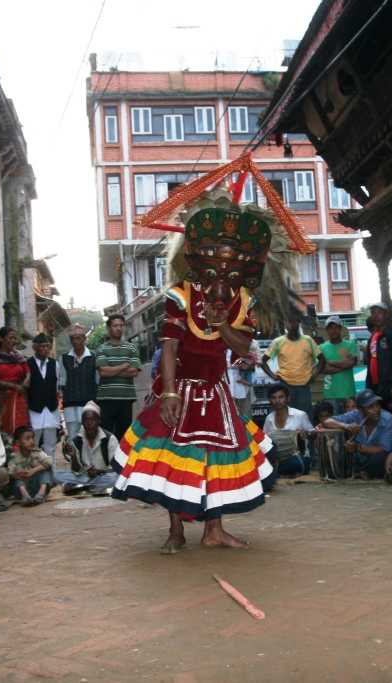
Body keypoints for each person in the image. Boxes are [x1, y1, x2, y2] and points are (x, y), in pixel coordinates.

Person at [112, 191, 288, 553]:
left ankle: (214, 530)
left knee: (214, 461)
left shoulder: (245, 301)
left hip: (217, 392)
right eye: (215, 262)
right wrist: (171, 393)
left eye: (233, 264)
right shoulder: (181, 294)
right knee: (172, 460)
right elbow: (171, 347)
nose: (223, 273)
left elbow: (242, 347)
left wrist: (222, 324)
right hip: (179, 390)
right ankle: (176, 531)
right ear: (197, 259)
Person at [321, 389, 392, 479]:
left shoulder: (388, 420)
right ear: (360, 409)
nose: (376, 410)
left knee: (379, 458)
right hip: (362, 458)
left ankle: (363, 472)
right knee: (342, 456)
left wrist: (357, 448)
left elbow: (383, 449)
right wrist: (346, 426)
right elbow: (327, 421)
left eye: (377, 405)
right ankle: (361, 472)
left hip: (381, 457)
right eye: (370, 407)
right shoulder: (356, 414)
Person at [262, 312, 324, 414]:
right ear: (285, 323)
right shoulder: (278, 342)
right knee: (285, 415)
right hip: (285, 385)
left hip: (304, 386)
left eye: (294, 321)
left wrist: (314, 376)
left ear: (298, 322)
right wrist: (273, 376)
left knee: (305, 417)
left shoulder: (308, 340)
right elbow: (263, 361)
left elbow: (322, 360)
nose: (292, 324)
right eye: (289, 322)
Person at [95, 314, 141, 439]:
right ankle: (108, 459)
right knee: (106, 436)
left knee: (124, 436)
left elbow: (134, 372)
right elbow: (103, 372)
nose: (119, 328)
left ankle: (121, 459)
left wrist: (111, 369)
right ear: (109, 328)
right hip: (106, 399)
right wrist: (124, 366)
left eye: (121, 325)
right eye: (115, 325)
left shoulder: (131, 348)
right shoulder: (101, 349)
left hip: (126, 399)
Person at [58, 401, 119, 494]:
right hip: (85, 477)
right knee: (61, 476)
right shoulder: (77, 440)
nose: (89, 423)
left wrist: (98, 472)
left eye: (92, 420)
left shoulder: (110, 439)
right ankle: (95, 488)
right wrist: (74, 457)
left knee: (115, 478)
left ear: (99, 421)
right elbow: (76, 471)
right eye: (86, 420)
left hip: (104, 476)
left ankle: (85, 488)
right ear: (82, 422)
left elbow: (116, 467)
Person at [0, 326, 30, 435]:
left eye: (15, 338)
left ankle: (19, 450)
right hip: (2, 399)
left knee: (21, 427)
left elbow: (28, 372)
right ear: (1, 339)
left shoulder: (18, 356)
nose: (14, 341)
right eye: (11, 338)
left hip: (19, 397)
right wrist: (12, 386)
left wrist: (25, 382)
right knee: (4, 426)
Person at [365, 302, 392, 418]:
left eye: (379, 312)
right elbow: (370, 362)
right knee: (380, 420)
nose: (376, 316)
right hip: (376, 388)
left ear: (386, 314)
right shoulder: (373, 336)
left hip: (390, 387)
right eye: (373, 313)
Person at [263, 383, 314, 477]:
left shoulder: (300, 415)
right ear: (270, 400)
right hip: (277, 459)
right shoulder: (269, 419)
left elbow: (312, 434)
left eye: (281, 397)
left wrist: (304, 434)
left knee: (295, 464)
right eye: (274, 398)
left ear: (288, 399)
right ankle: (278, 471)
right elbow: (265, 442)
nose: (277, 401)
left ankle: (276, 472)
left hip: (297, 457)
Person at [59, 324, 97, 441]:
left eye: (78, 338)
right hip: (70, 403)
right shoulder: (64, 358)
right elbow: (62, 382)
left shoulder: (93, 357)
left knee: (90, 434)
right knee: (72, 435)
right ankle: (74, 459)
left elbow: (97, 381)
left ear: (84, 339)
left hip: (89, 402)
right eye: (73, 339)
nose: (75, 341)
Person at [27, 332, 61, 458]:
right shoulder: (27, 364)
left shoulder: (54, 364)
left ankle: (51, 474)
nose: (46, 349)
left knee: (50, 445)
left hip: (51, 409)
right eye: (42, 346)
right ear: (35, 347)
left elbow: (56, 385)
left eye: (48, 346)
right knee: (32, 443)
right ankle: (33, 474)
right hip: (34, 409)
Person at [320, 315, 358, 414]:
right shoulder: (321, 347)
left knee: (351, 424)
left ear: (340, 328)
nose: (333, 330)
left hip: (348, 392)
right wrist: (344, 365)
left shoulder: (350, 344)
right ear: (326, 330)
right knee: (335, 426)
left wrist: (330, 362)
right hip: (330, 393)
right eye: (330, 328)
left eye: (336, 327)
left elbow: (351, 363)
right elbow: (323, 369)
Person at [9, 426, 54, 506]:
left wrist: (34, 470)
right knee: (18, 479)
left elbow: (50, 461)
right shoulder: (14, 456)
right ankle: (25, 497)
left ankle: (41, 494)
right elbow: (10, 472)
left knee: (46, 471)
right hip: (22, 489)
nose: (31, 441)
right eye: (27, 439)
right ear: (18, 442)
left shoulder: (37, 452)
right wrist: (18, 474)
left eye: (32, 438)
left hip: (37, 486)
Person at [226, 348, 255, 418]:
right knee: (231, 415)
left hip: (244, 388)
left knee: (246, 416)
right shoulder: (219, 347)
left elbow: (252, 362)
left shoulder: (241, 345)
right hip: (227, 386)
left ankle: (250, 429)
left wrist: (244, 362)